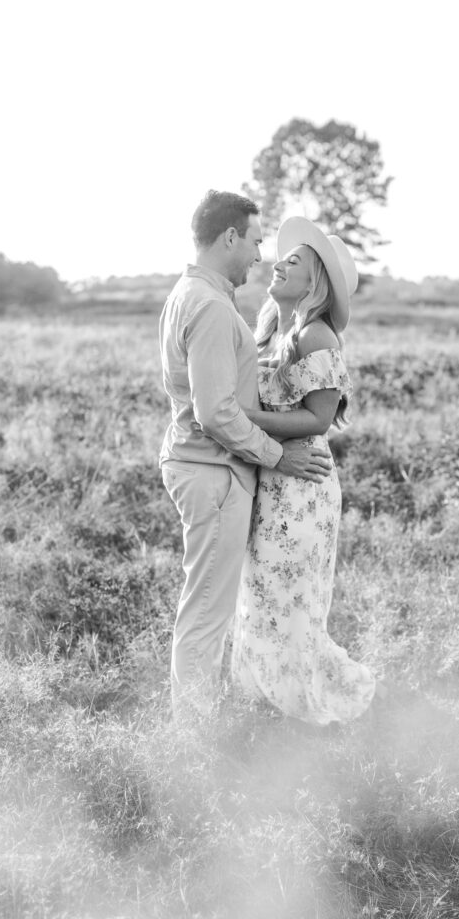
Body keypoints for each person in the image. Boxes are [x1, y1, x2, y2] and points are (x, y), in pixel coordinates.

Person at [159, 192, 332, 715]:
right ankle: (194, 741)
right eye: (256, 241)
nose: (260, 255)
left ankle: (201, 725)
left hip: (205, 468)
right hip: (213, 472)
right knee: (208, 612)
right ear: (230, 237)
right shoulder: (211, 306)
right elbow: (217, 412)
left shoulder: (192, 293)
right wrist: (279, 456)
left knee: (208, 605)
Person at [231, 217, 378, 725]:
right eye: (281, 257)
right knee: (260, 593)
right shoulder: (272, 328)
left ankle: (301, 706)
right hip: (269, 478)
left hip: (303, 486)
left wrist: (246, 418)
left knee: (290, 599)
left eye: (294, 261)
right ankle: (264, 699)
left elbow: (318, 419)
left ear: (314, 281)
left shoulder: (317, 336)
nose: (279, 262)